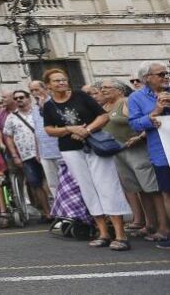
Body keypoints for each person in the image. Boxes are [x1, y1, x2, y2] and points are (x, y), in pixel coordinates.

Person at [42, 68, 132, 251]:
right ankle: (103, 233)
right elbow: (49, 129)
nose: (62, 82)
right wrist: (69, 129)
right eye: (57, 80)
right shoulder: (49, 106)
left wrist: (86, 130)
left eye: (64, 79)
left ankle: (120, 235)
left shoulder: (81, 96)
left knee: (107, 186)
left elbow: (103, 116)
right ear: (49, 85)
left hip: (95, 145)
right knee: (87, 189)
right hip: (70, 149)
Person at [101, 78, 167, 242]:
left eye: (107, 87)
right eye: (102, 88)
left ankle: (163, 226)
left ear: (119, 90)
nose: (103, 90)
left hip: (136, 151)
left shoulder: (127, 102)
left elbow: (145, 121)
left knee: (152, 189)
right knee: (139, 189)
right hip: (119, 153)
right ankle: (150, 224)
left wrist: (139, 137)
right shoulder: (105, 106)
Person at [128, 60, 170, 250]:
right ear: (147, 78)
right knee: (167, 192)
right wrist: (155, 112)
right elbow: (135, 124)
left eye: (166, 73)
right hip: (161, 151)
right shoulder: (136, 98)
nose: (165, 77)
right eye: (161, 74)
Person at [2, 90, 51, 221]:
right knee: (35, 183)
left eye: (21, 97)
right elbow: (8, 137)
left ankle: (60, 210)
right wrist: (15, 155)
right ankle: (47, 213)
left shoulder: (38, 111)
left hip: (46, 152)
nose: (19, 100)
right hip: (26, 155)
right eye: (16, 98)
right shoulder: (11, 117)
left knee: (51, 182)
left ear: (28, 98)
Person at [29, 79, 62, 199]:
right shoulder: (34, 109)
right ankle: (61, 207)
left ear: (45, 89)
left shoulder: (55, 103)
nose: (34, 93)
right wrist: (37, 151)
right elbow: (37, 131)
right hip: (44, 152)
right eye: (32, 91)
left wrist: (44, 107)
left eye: (37, 90)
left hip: (59, 149)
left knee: (67, 180)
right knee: (53, 183)